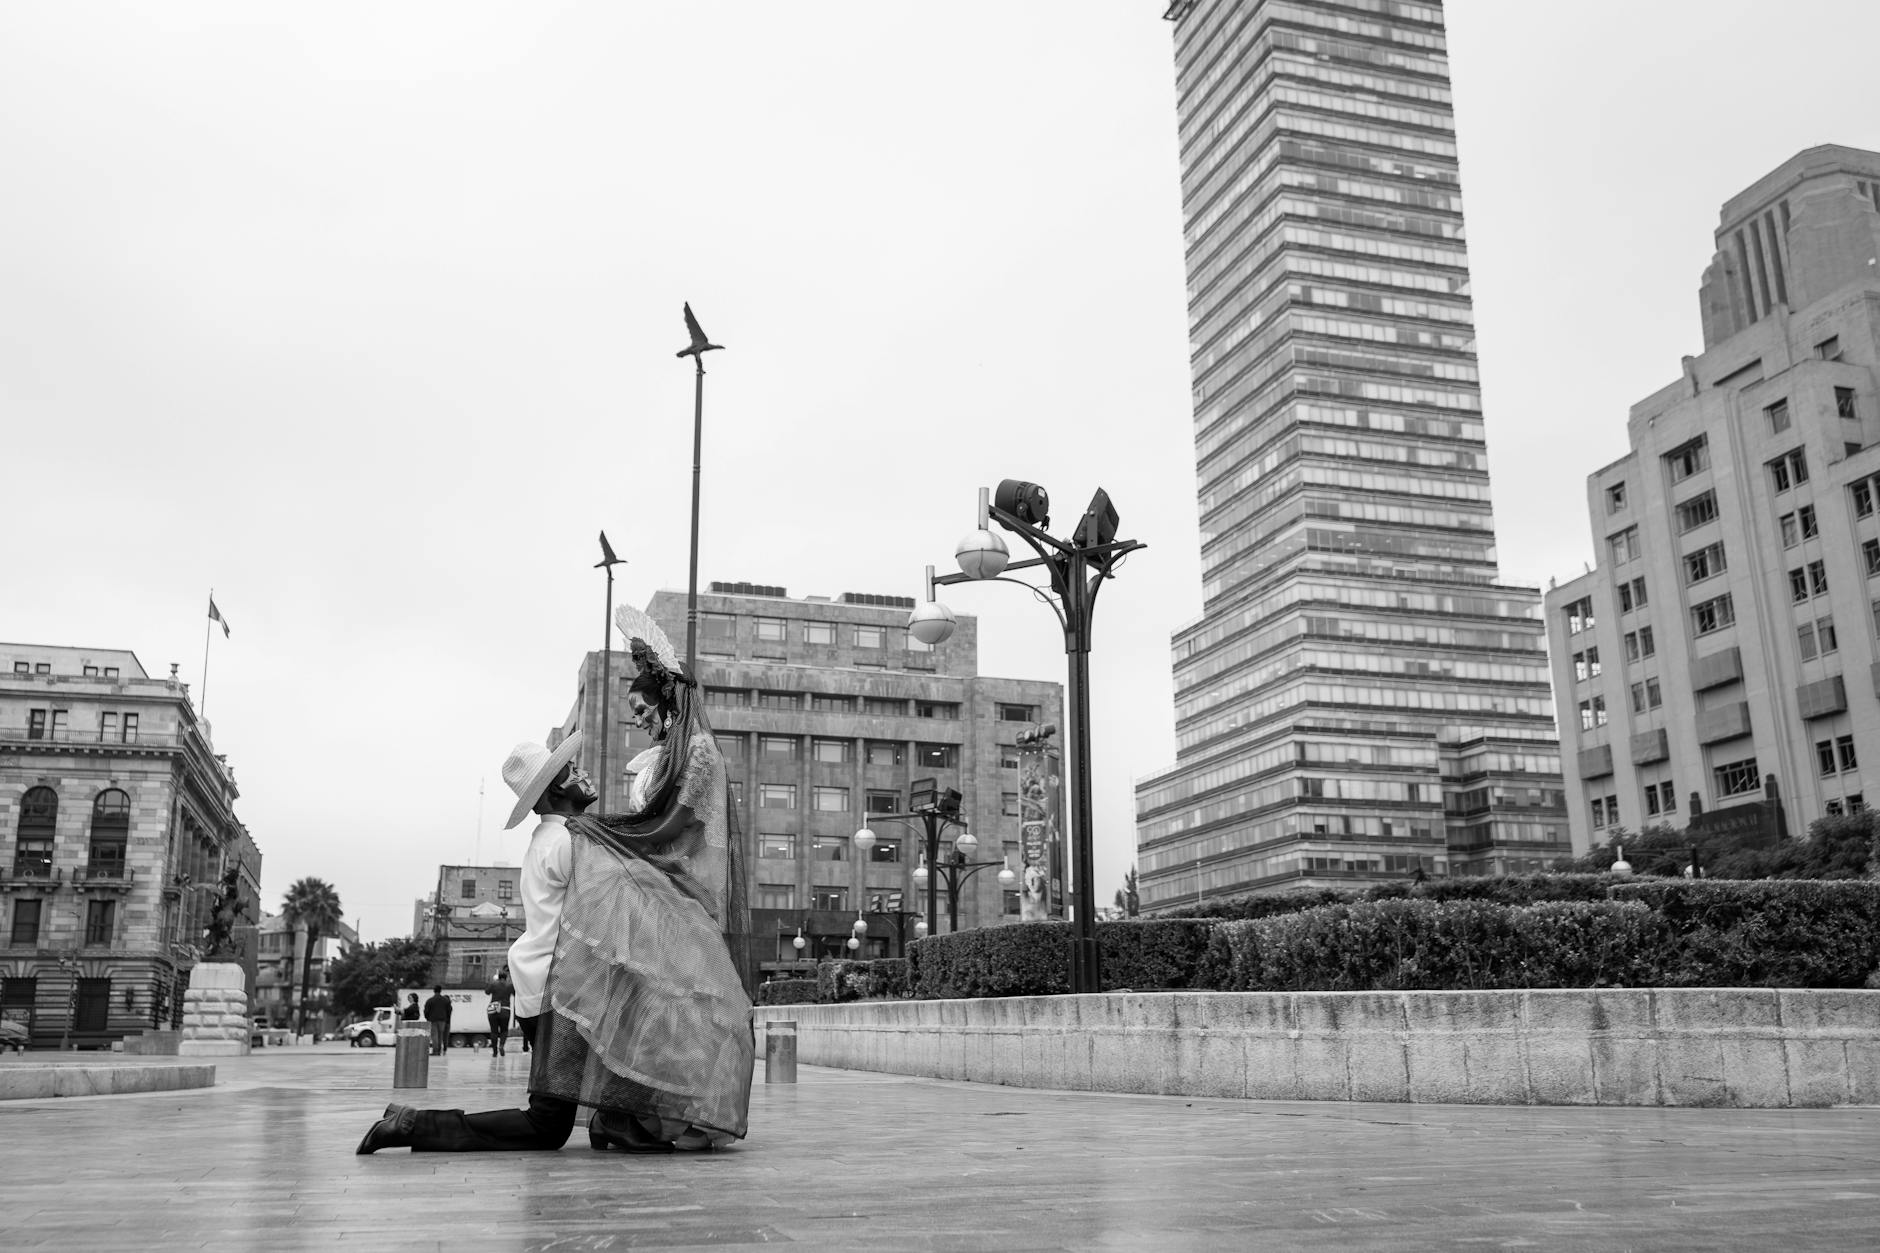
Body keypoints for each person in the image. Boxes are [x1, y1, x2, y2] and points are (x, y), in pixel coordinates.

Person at [357, 616, 753, 1155]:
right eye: (570, 772)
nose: (582, 774)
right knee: (546, 1124)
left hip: (549, 981)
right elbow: (629, 885)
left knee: (606, 1062)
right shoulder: (568, 842)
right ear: (553, 793)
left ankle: (617, 1122)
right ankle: (411, 1125)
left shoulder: (563, 836)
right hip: (552, 985)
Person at [486, 967, 514, 1058]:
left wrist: (491, 983)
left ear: (498, 977)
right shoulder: (510, 985)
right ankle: (501, 1045)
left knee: (494, 1031)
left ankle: (494, 1052)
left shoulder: (493, 984)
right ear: (506, 978)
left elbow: (487, 992)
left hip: (493, 1008)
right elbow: (515, 994)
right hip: (505, 1009)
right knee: (504, 1030)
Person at [422, 987, 452, 1057]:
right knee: (440, 1036)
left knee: (434, 1036)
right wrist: (446, 1019)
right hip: (443, 1021)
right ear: (441, 991)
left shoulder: (430, 1000)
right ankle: (439, 1050)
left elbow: (426, 1011)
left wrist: (428, 1018)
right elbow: (449, 1011)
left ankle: (435, 1051)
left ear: (434, 991)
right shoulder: (446, 1000)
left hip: (433, 1020)